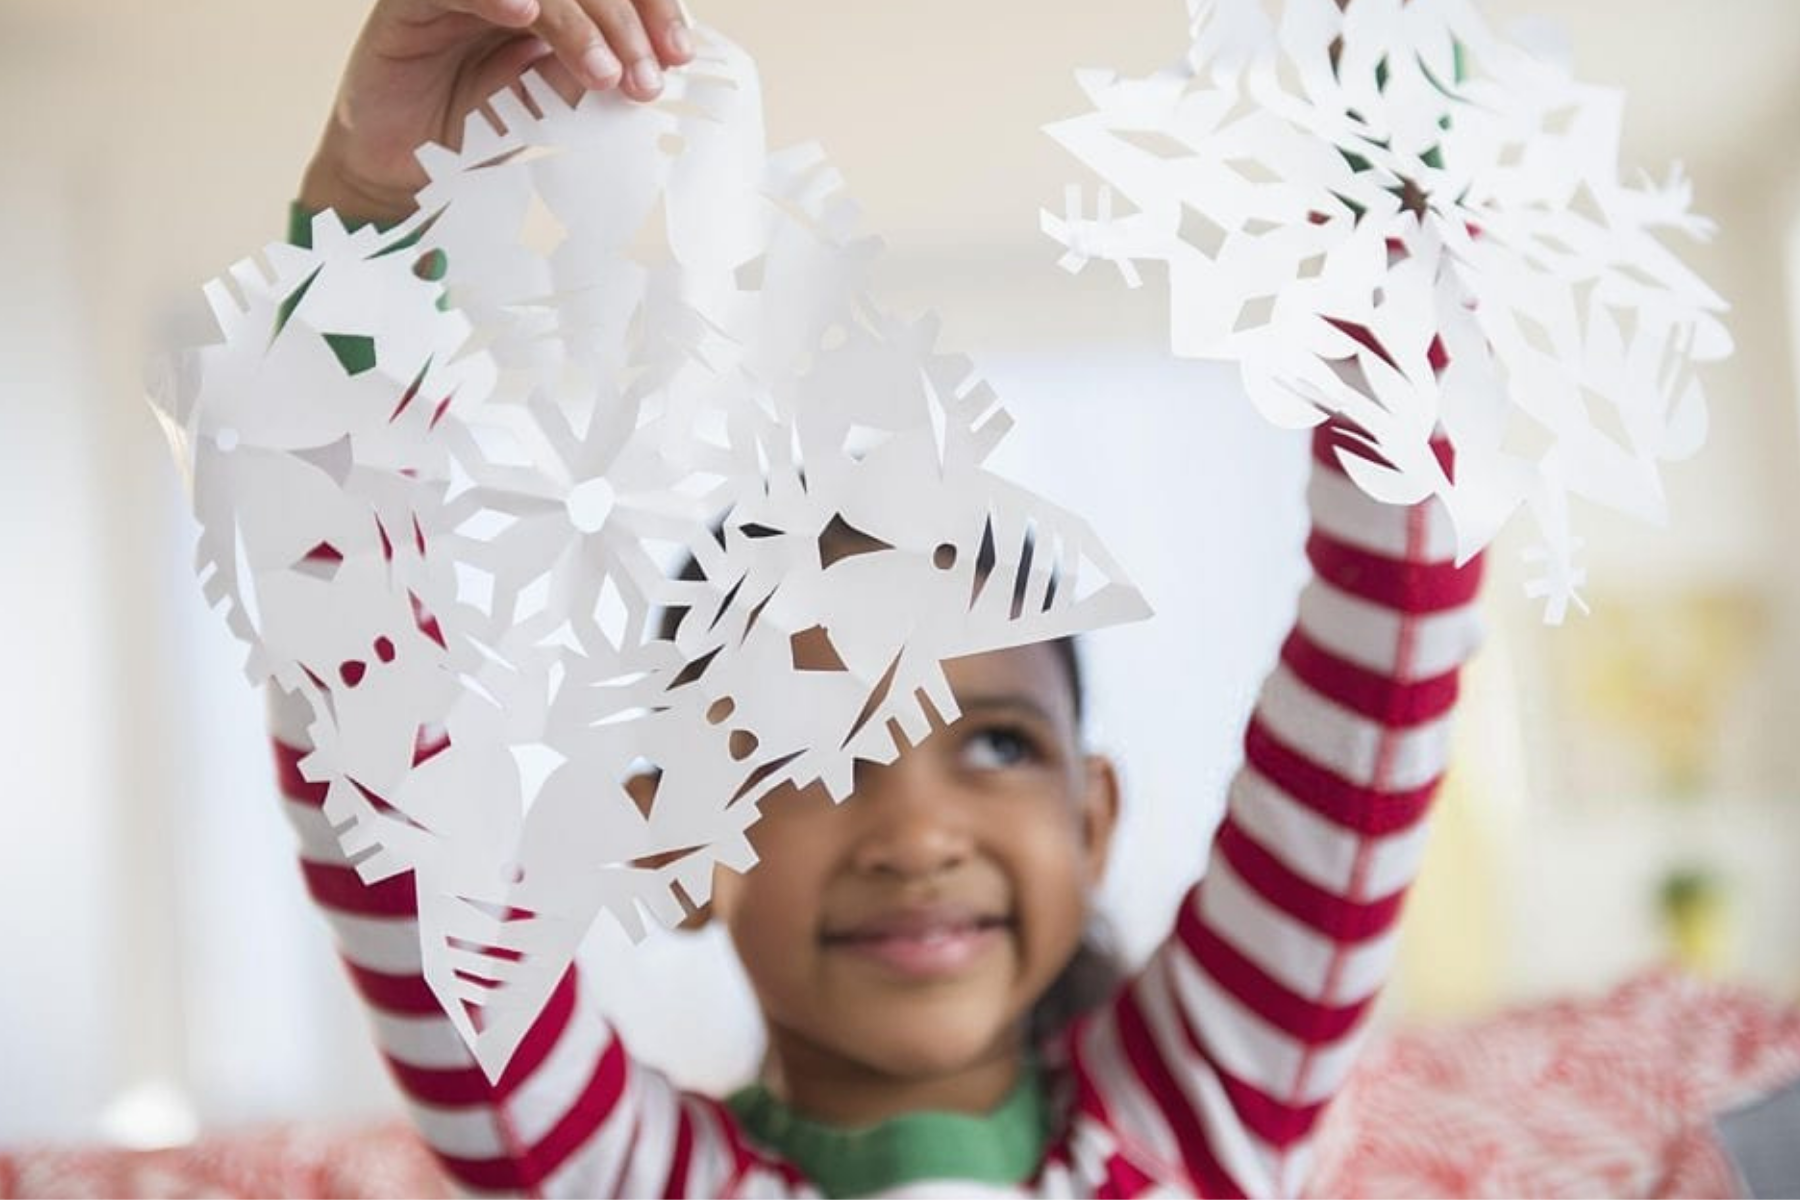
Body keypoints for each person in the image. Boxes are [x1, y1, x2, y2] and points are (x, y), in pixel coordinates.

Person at [276, 1, 1487, 1194]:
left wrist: (1387, 119)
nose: (916, 838)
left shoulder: (1205, 1103)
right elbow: (381, 756)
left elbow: (1398, 602)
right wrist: (372, 206)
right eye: (814, 752)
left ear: (1093, 819)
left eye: (1001, 745)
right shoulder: (621, 1175)